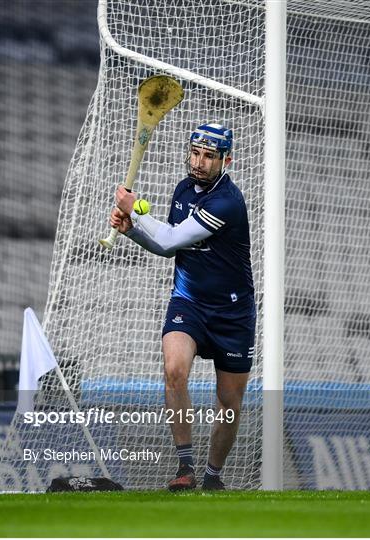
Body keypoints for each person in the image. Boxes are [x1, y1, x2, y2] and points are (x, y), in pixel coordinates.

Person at [111, 123, 256, 491]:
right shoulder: (182, 190)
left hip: (232, 312)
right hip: (188, 301)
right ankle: (185, 467)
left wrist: (135, 210)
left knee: (229, 401)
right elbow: (168, 247)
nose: (200, 162)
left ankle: (212, 477)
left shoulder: (227, 201)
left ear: (227, 160)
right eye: (195, 153)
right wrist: (132, 230)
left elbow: (174, 236)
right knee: (174, 370)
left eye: (209, 156)